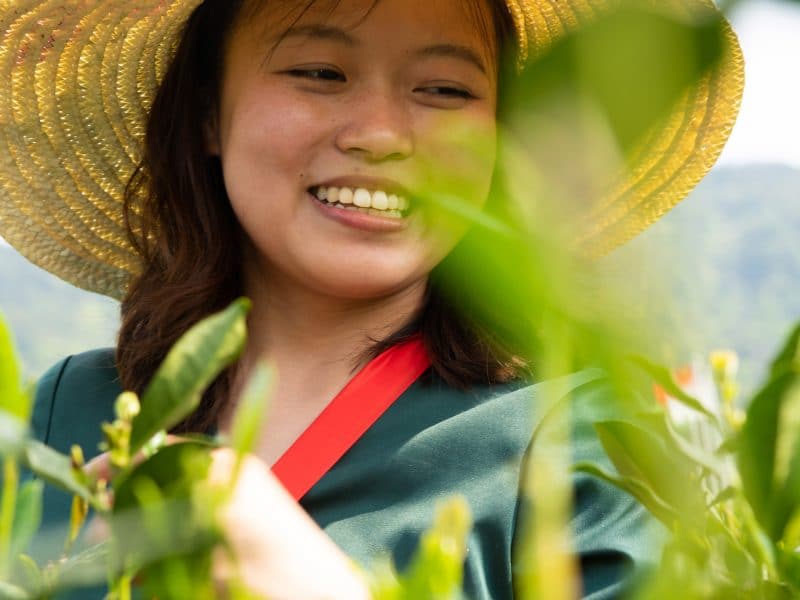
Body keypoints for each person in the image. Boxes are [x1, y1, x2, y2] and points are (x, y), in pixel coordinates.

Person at [0, 0, 743, 598]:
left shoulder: (580, 441)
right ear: (204, 112)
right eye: (320, 72)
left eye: (446, 90)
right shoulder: (73, 409)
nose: (383, 134)